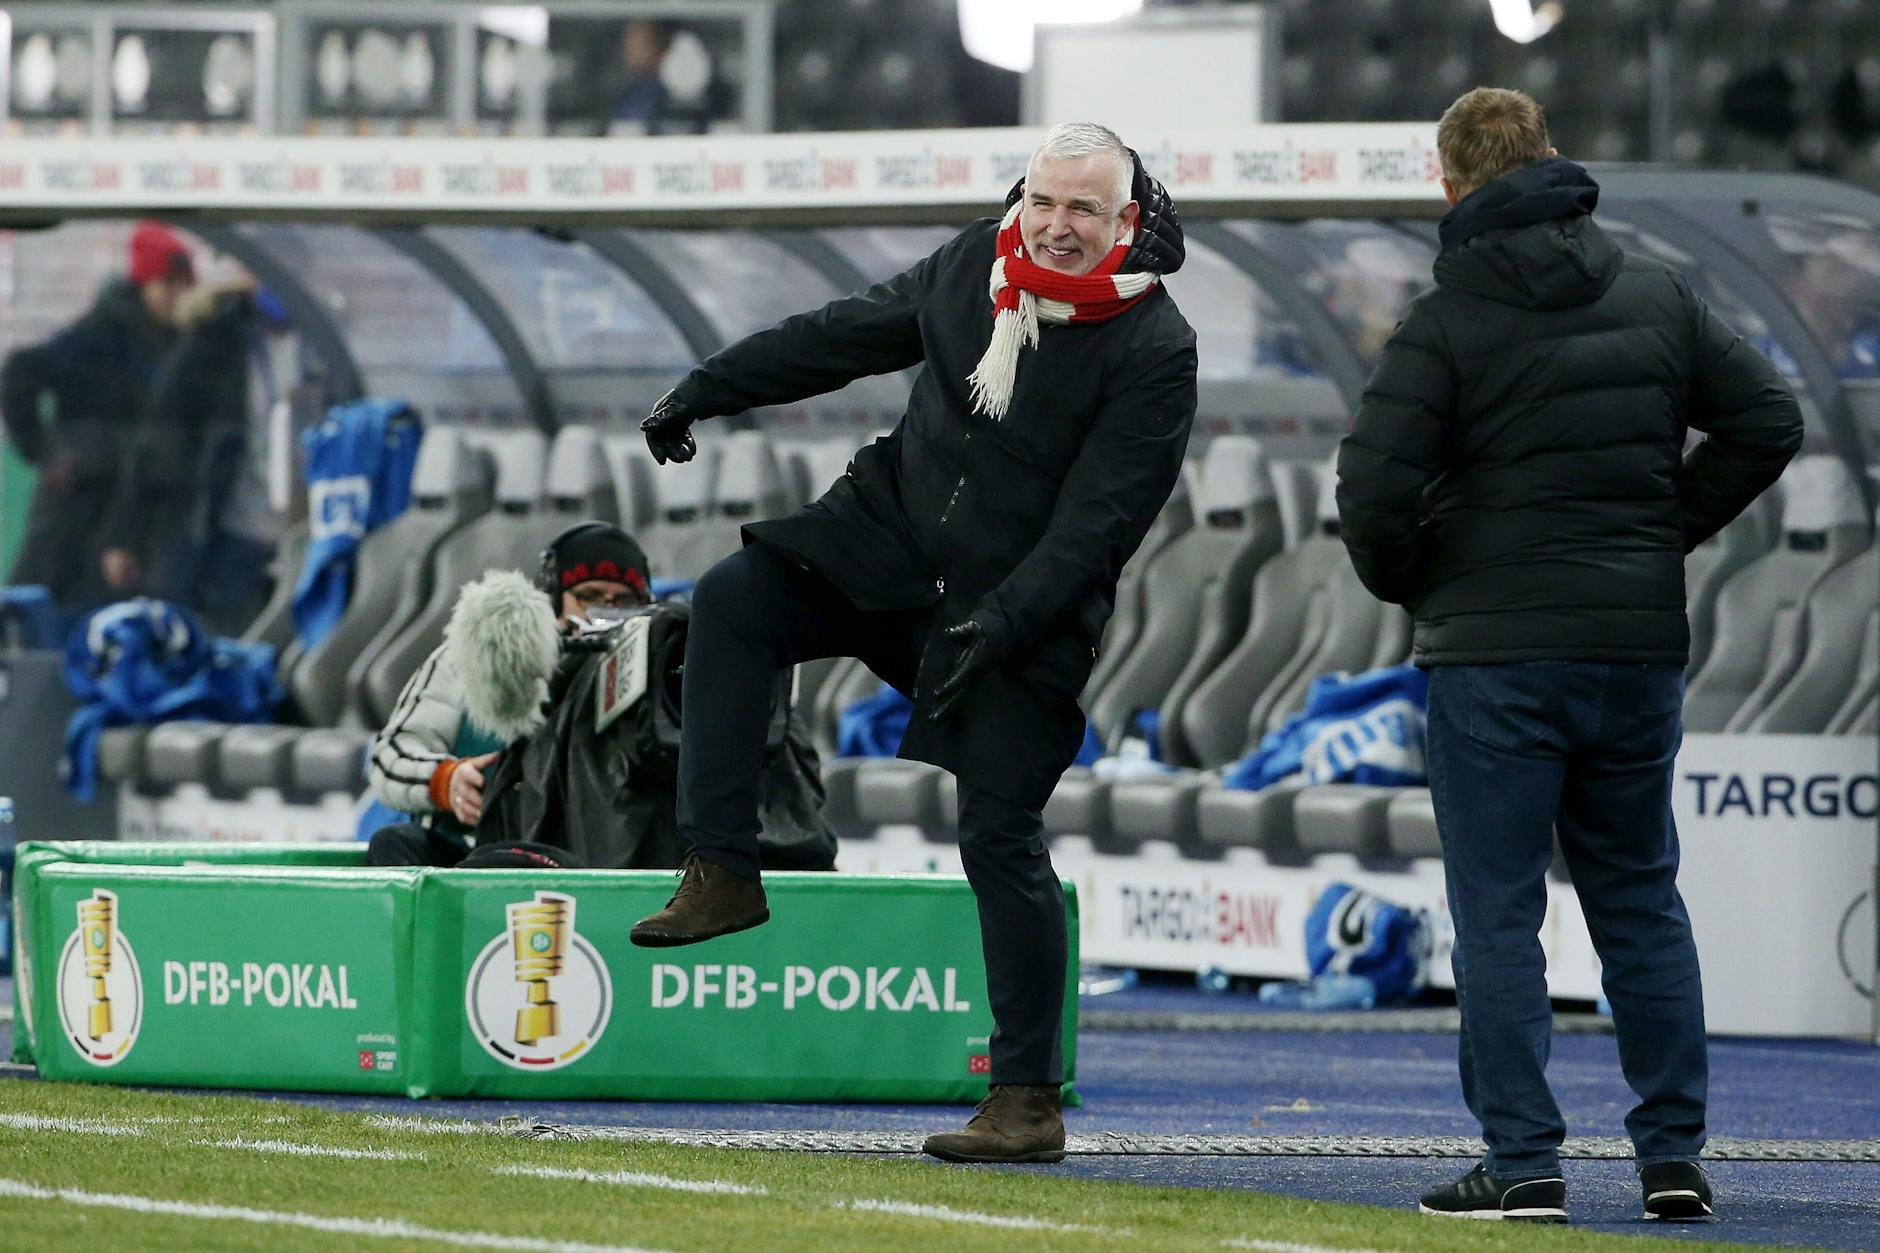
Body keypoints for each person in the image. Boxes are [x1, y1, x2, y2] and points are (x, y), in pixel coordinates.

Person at [626, 121, 1196, 1164]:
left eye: (1083, 210)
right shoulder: (972, 261)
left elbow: (1100, 520)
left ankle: (1024, 1098)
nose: (1056, 225)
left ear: (1126, 220)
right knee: (732, 599)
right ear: (1020, 197)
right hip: (886, 538)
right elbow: (843, 333)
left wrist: (1011, 616)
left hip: (1017, 605)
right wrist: (708, 383)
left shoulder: (1154, 345)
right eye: (1043, 201)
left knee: (999, 834)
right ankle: (721, 867)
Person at [1336, 88, 1803, 1222]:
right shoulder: (1655, 290)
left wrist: (1424, 579)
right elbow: (1767, 419)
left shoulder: (1441, 322)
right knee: (1638, 897)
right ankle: (1672, 1155)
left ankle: (1522, 1159)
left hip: (1492, 657)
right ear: (1550, 157)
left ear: (1447, 186)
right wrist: (1663, 529)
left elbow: (1367, 493)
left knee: (1495, 911)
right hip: (1632, 646)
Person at [366, 521, 655, 868]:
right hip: (470, 855)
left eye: (624, 601)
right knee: (395, 843)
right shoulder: (466, 656)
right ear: (551, 599)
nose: (605, 612)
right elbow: (388, 757)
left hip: (590, 862)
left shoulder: (660, 668)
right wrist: (445, 780)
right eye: (588, 597)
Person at [3, 222, 195, 615]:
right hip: (78, 502)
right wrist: (43, 451)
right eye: (167, 285)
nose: (177, 297)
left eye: (183, 285)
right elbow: (19, 372)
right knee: (44, 606)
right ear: (145, 283)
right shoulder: (103, 333)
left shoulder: (170, 341)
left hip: (121, 506)